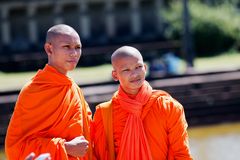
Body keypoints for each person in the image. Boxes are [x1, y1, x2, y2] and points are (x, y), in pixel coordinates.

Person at [5, 24, 93, 160]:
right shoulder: (33, 90)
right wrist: (66, 148)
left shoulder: (73, 88)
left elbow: (89, 131)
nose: (74, 53)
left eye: (78, 47)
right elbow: (17, 147)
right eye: (66, 47)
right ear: (49, 49)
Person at [93, 46, 193, 160]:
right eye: (126, 70)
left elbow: (181, 154)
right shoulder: (105, 113)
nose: (135, 74)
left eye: (138, 67)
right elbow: (100, 156)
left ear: (145, 68)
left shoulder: (168, 106)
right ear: (115, 75)